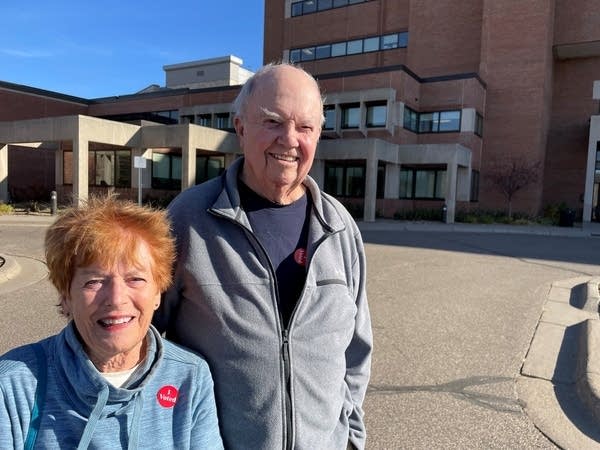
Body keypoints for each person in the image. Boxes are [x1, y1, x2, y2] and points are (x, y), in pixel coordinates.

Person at [153, 63, 373, 449]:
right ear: (240, 128)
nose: (289, 139)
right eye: (272, 121)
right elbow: (146, 339)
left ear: (318, 135)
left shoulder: (340, 227)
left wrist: (352, 437)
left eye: (305, 127)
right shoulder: (187, 219)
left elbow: (356, 349)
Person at [0, 196, 224, 449]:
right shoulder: (13, 385)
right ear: (66, 297)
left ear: (158, 293)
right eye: (94, 281)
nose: (116, 300)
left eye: (136, 279)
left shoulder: (189, 376)